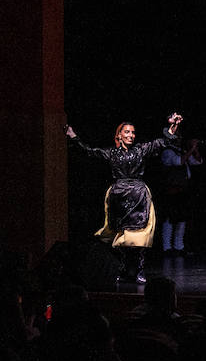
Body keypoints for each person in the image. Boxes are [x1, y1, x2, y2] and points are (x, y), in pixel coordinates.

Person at [66, 113, 184, 284]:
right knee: (120, 235)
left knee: (139, 236)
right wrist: (73, 136)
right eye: (127, 132)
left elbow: (162, 142)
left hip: (138, 195)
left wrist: (173, 126)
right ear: (119, 135)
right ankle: (122, 269)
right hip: (119, 196)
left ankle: (139, 269)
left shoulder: (141, 150)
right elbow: (89, 152)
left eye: (133, 132)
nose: (131, 135)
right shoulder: (112, 153)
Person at [158, 137, 202, 257]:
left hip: (183, 190)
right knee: (169, 219)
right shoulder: (168, 152)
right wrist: (191, 149)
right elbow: (179, 162)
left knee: (182, 219)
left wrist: (195, 150)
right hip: (171, 190)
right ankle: (167, 247)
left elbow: (197, 162)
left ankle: (179, 247)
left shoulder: (182, 151)